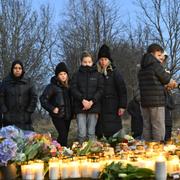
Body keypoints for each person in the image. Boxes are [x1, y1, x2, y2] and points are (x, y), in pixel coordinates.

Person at [138, 43, 176, 141]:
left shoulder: (142, 68)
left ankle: (147, 148)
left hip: (145, 102)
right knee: (158, 126)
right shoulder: (155, 65)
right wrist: (173, 82)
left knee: (147, 126)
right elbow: (166, 78)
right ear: (151, 54)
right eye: (158, 55)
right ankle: (158, 149)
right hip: (156, 101)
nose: (161, 57)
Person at [71, 51, 104, 143]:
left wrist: (91, 102)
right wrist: (82, 100)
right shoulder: (76, 75)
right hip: (80, 106)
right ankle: (81, 152)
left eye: (89, 62)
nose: (87, 64)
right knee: (82, 133)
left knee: (91, 132)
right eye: (85, 62)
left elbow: (100, 90)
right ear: (81, 62)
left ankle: (93, 153)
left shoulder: (98, 75)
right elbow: (73, 89)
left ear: (92, 62)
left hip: (93, 107)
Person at [96, 44, 127, 138]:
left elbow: (122, 90)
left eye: (105, 59)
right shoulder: (96, 72)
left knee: (114, 130)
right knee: (100, 130)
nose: (103, 62)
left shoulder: (115, 73)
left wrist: (122, 105)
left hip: (113, 105)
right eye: (101, 59)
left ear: (109, 60)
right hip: (100, 105)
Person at [40, 62, 72, 146]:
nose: (63, 76)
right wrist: (52, 108)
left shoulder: (69, 86)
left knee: (64, 136)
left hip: (67, 116)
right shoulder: (52, 86)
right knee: (63, 134)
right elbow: (43, 99)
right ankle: (60, 151)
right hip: (57, 116)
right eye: (60, 74)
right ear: (57, 75)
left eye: (65, 73)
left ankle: (58, 151)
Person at [0, 60, 37, 130]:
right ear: (12, 69)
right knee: (9, 140)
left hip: (24, 118)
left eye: (19, 68)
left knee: (25, 139)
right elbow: (1, 97)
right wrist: (4, 111)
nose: (17, 70)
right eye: (15, 68)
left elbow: (34, 97)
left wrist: (29, 111)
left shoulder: (29, 82)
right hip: (9, 118)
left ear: (22, 70)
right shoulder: (5, 82)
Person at [160, 52, 175, 141]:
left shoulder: (165, 70)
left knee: (168, 131)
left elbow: (171, 105)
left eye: (164, 58)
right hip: (158, 107)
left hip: (167, 116)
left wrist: (169, 88)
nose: (163, 60)